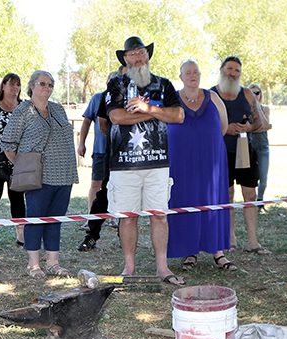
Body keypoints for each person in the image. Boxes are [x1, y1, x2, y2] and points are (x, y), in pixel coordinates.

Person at [105, 36, 184, 285]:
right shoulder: (115, 84)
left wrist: (146, 108)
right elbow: (116, 117)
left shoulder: (164, 84)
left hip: (158, 163)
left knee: (159, 215)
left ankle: (162, 267)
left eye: (141, 53)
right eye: (133, 54)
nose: (138, 58)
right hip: (124, 163)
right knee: (128, 217)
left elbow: (179, 115)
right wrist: (156, 115)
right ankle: (129, 267)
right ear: (126, 59)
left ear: (148, 56)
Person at [1, 71, 78, 278]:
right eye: (42, 83)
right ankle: (34, 265)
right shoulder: (23, 111)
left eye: (50, 84)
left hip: (64, 174)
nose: (47, 88)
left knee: (55, 220)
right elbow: (8, 143)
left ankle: (53, 262)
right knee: (35, 219)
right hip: (38, 176)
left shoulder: (58, 108)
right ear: (32, 86)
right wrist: (22, 165)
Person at [169, 60, 235, 271]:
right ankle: (189, 251)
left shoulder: (213, 97)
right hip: (181, 162)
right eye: (187, 72)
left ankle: (218, 252)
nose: (192, 75)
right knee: (185, 200)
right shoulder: (172, 99)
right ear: (180, 77)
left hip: (211, 161)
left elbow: (223, 126)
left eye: (195, 72)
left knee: (213, 199)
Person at [212, 57, 270, 255]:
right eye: (229, 69)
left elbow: (261, 123)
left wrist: (248, 127)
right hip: (220, 152)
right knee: (227, 195)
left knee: (250, 194)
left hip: (246, 150)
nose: (232, 73)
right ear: (221, 70)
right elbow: (203, 126)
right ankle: (230, 239)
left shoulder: (247, 94)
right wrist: (224, 128)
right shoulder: (211, 94)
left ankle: (253, 241)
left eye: (237, 70)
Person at [78, 69, 123, 252]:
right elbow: (99, 123)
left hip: (129, 158)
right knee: (101, 192)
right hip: (105, 152)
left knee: (125, 195)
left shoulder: (133, 96)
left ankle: (123, 232)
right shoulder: (101, 97)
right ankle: (92, 233)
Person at [0, 73, 26, 249]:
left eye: (18, 85)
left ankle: (21, 236)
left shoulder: (24, 107)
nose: (14, 88)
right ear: (3, 86)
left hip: (17, 159)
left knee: (17, 198)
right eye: (11, 84)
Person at [247, 83, 273, 203]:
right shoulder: (245, 109)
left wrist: (257, 107)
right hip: (248, 147)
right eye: (252, 93)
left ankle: (260, 200)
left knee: (264, 178)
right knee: (250, 179)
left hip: (263, 147)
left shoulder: (265, 109)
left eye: (257, 93)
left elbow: (265, 125)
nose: (255, 95)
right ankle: (252, 201)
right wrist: (257, 127)